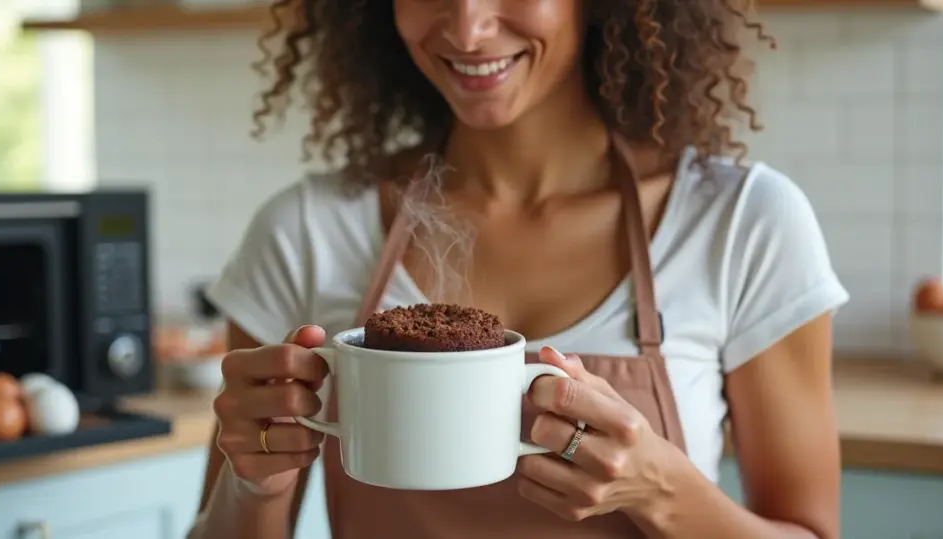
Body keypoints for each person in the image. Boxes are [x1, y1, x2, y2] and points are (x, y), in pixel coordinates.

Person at [189, 0, 848, 538]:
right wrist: (255, 484)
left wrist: (661, 489)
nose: (468, 28)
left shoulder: (742, 225)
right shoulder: (305, 233)